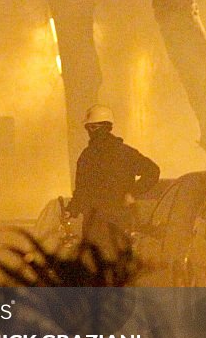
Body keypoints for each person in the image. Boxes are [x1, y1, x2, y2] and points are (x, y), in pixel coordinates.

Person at [66, 104, 160, 255]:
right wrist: (72, 209)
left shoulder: (91, 156)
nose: (89, 132)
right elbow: (81, 190)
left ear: (103, 127)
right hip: (106, 222)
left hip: (109, 222)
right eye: (88, 128)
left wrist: (132, 193)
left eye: (92, 127)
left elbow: (152, 171)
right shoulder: (95, 155)